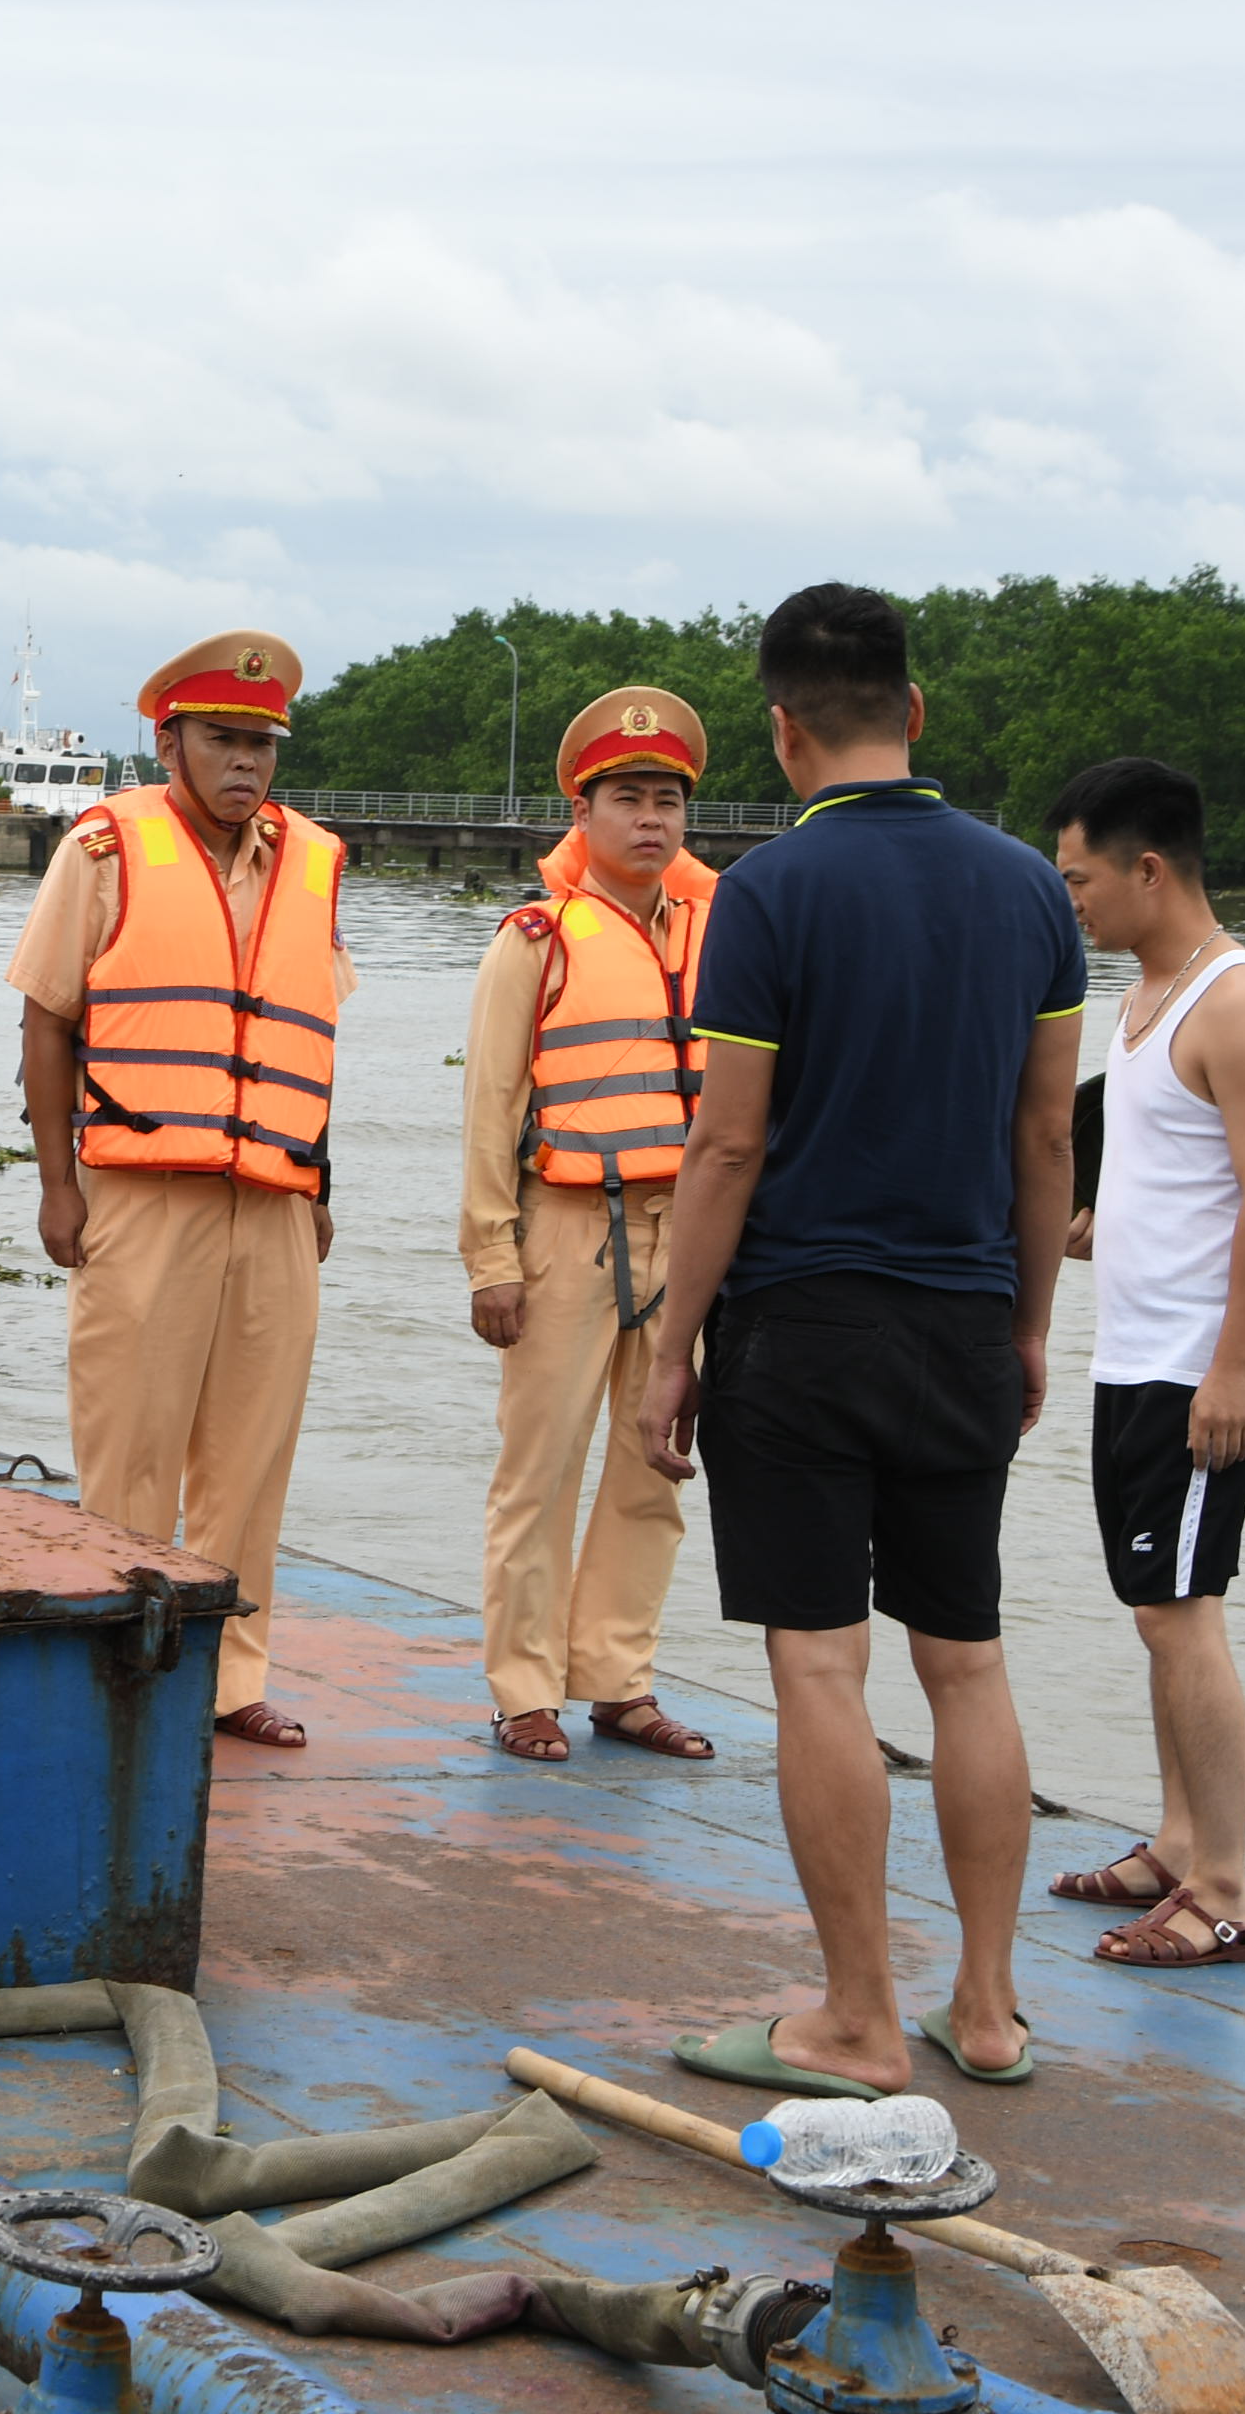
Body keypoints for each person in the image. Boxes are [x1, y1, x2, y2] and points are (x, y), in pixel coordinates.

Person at [640, 585, 1081, 2099]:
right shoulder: (1033, 890)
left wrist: (665, 1349)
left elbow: (726, 1149)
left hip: (804, 1330)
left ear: (780, 725)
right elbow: (1043, 1135)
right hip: (965, 1319)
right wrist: (1028, 1324)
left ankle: (856, 2020)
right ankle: (993, 2007)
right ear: (919, 709)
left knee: (820, 1667)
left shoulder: (764, 893)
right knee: (967, 1660)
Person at [10, 631, 348, 1749]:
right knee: (131, 1441)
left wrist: (319, 1182)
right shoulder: (106, 848)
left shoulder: (314, 860)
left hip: (275, 1196)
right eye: (224, 739)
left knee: (253, 1451)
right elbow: (49, 1015)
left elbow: (306, 1030)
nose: (247, 762)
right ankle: (117, 1655)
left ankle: (228, 1675)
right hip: (144, 1188)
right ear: (170, 741)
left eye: (263, 743)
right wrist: (59, 1184)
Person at [1043, 755, 1245, 1970]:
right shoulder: (1148, 997)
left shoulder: (1241, 1003)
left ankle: (1224, 1892)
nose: (1074, 900)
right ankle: (1173, 1842)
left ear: (1150, 869)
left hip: (1207, 1368)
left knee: (1183, 1615)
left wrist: (1233, 1367)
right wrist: (1104, 1230)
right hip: (1138, 1356)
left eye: (1083, 877)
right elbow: (1175, 1178)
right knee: (1158, 1613)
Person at [459, 686, 723, 1766]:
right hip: (564, 1230)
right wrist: (491, 1256)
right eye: (627, 798)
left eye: (667, 799)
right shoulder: (534, 939)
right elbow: (491, 1105)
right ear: (584, 812)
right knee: (540, 1467)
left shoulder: (723, 936)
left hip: (686, 1233)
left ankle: (619, 1679)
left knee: (652, 1462)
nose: (650, 820)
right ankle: (523, 1688)